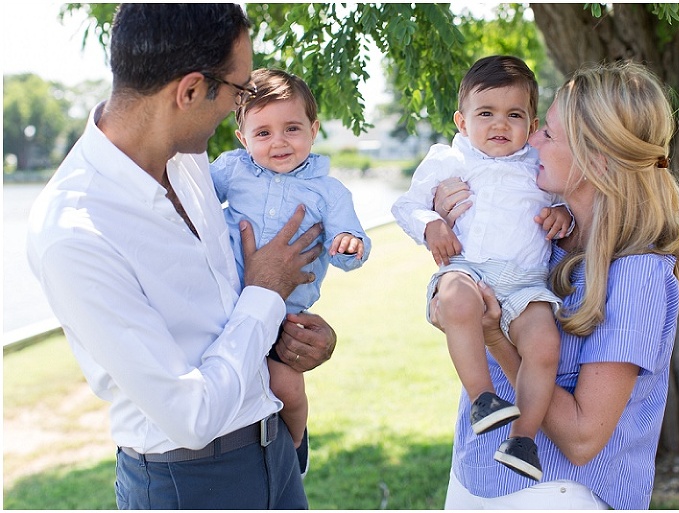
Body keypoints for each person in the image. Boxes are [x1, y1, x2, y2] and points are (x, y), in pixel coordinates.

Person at [26, 4, 338, 509]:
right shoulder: (75, 234)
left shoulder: (190, 160)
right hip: (191, 484)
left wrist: (286, 337)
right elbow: (189, 415)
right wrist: (265, 293)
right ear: (191, 90)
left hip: (274, 448)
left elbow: (225, 313)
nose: (239, 107)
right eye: (240, 91)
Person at [433, 61, 679, 509]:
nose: (533, 137)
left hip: (554, 494)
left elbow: (583, 439)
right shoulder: (548, 237)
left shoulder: (636, 273)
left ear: (595, 157)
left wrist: (493, 334)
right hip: (475, 473)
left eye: (550, 133)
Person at [391, 55, 573, 481]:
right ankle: (483, 398)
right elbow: (406, 205)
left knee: (545, 345)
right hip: (467, 269)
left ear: (531, 126)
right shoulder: (449, 159)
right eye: (485, 114)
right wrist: (431, 224)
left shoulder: (537, 165)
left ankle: (523, 439)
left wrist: (562, 212)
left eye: (514, 115)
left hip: (525, 282)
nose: (499, 125)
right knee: (455, 301)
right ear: (461, 120)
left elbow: (560, 199)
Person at [210, 67, 371, 454]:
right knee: (228, 376)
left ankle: (295, 445)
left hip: (284, 317)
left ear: (314, 130)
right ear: (243, 138)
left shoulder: (328, 191)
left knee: (287, 386)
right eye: (263, 133)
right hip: (227, 304)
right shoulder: (232, 170)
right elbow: (191, 205)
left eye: (292, 129)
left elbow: (350, 239)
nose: (278, 142)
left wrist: (349, 246)